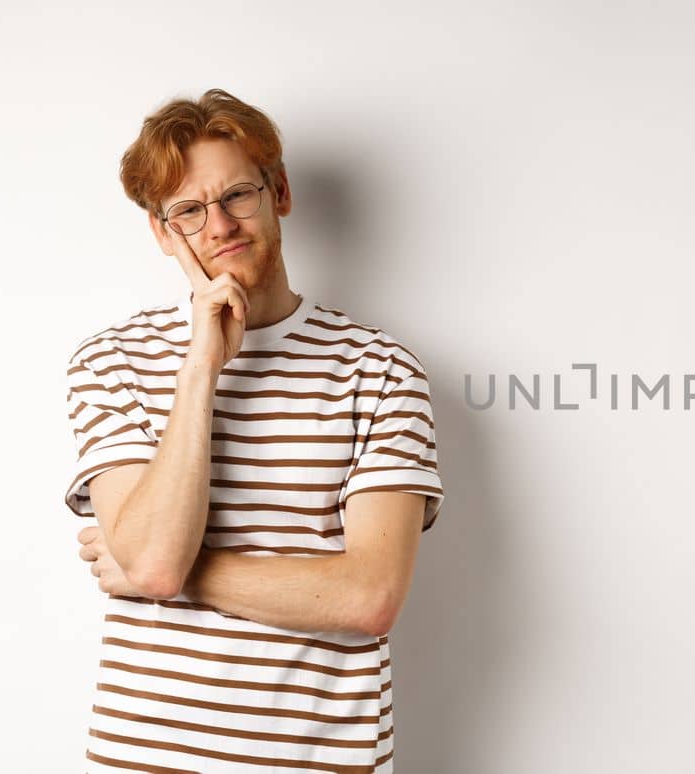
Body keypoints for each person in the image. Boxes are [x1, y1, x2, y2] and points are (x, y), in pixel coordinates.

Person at [64, 88, 444, 772]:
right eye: (188, 211)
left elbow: (369, 597)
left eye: (238, 194)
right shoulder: (110, 362)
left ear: (281, 193)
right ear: (162, 234)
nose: (219, 226)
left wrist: (168, 575)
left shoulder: (382, 369)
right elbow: (154, 559)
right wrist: (201, 367)